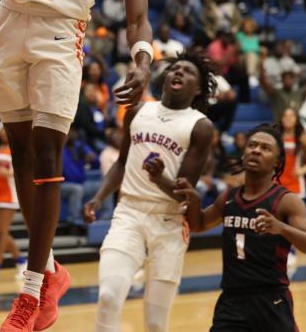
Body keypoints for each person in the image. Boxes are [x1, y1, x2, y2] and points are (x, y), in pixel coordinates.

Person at [0, 0, 185, 331]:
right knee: (18, 150)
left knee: (46, 154)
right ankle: (51, 270)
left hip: (59, 34)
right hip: (8, 18)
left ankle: (31, 291)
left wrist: (142, 61)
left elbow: (139, 19)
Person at [82, 55, 216, 332]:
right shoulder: (137, 111)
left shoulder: (200, 126)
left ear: (199, 89)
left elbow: (184, 193)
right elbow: (121, 164)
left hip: (169, 222)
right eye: (174, 69)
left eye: (188, 72)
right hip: (129, 213)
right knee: (108, 296)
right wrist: (99, 197)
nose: (178, 72)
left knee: (155, 324)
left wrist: (159, 179)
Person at [175, 123, 306, 331]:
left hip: (271, 301)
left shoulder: (286, 201)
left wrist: (281, 228)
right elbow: (199, 224)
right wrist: (195, 202)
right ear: (243, 154)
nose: (256, 150)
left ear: (277, 161)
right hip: (231, 302)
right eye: (252, 145)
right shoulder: (228, 198)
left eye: (265, 148)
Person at [0, 124, 27, 281]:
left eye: (6, 130)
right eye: (1, 130)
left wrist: (9, 173)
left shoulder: (17, 149)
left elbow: (24, 169)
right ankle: (21, 260)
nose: (3, 133)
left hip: (9, 194)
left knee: (2, 232)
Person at [276, 108, 306, 198]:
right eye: (285, 116)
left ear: (296, 120)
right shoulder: (276, 136)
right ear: (281, 119)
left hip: (295, 183)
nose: (288, 118)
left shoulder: (302, 138)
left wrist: (303, 170)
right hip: (276, 183)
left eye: (291, 116)